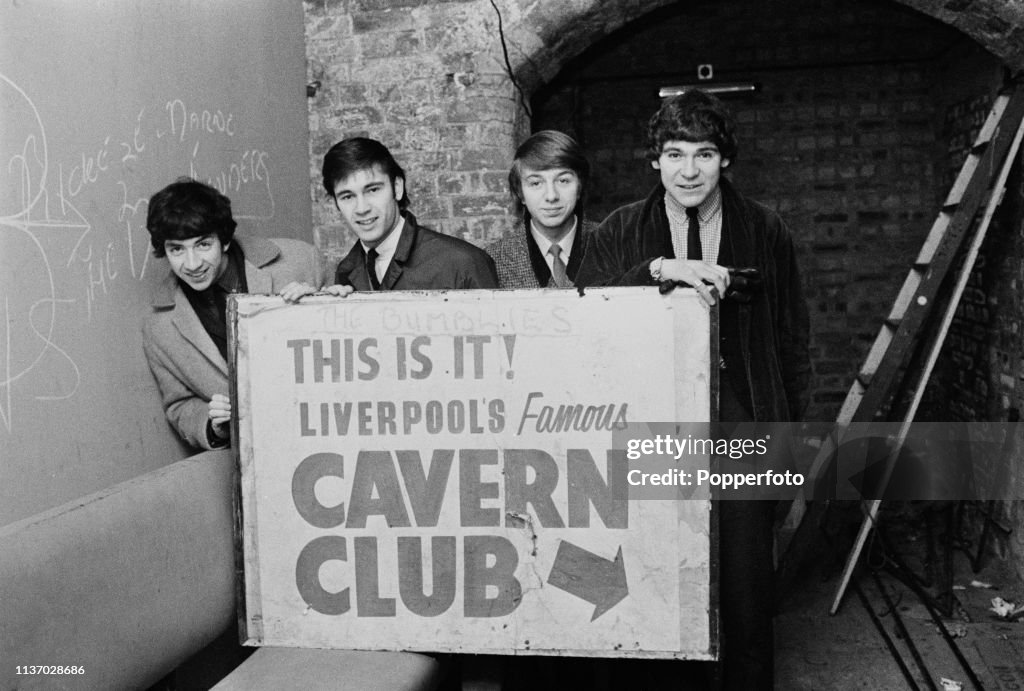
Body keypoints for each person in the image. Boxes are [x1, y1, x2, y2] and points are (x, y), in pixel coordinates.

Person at [577, 89, 811, 690]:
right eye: (674, 153)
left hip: (741, 421)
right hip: (652, 423)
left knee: (747, 589)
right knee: (657, 581)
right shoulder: (621, 230)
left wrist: (787, 435)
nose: (688, 170)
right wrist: (658, 270)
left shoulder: (765, 228)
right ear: (653, 159)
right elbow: (585, 323)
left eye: (703, 154)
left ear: (724, 160)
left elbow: (792, 343)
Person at [141, 178, 331, 450]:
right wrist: (212, 424)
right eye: (177, 250)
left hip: (327, 435)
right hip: (255, 457)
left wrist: (316, 309)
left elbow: (353, 349)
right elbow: (179, 405)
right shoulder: (158, 328)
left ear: (225, 240)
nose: (192, 263)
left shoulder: (300, 263)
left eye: (203, 245)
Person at [306, 137, 497, 294]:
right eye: (347, 196)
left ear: (397, 188)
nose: (361, 208)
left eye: (372, 190)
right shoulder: (345, 272)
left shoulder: (463, 262)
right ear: (337, 204)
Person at [486, 130, 592, 288]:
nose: (551, 196)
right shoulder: (493, 261)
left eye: (563, 180)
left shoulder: (614, 248)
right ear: (520, 193)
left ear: (579, 186)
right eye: (536, 183)